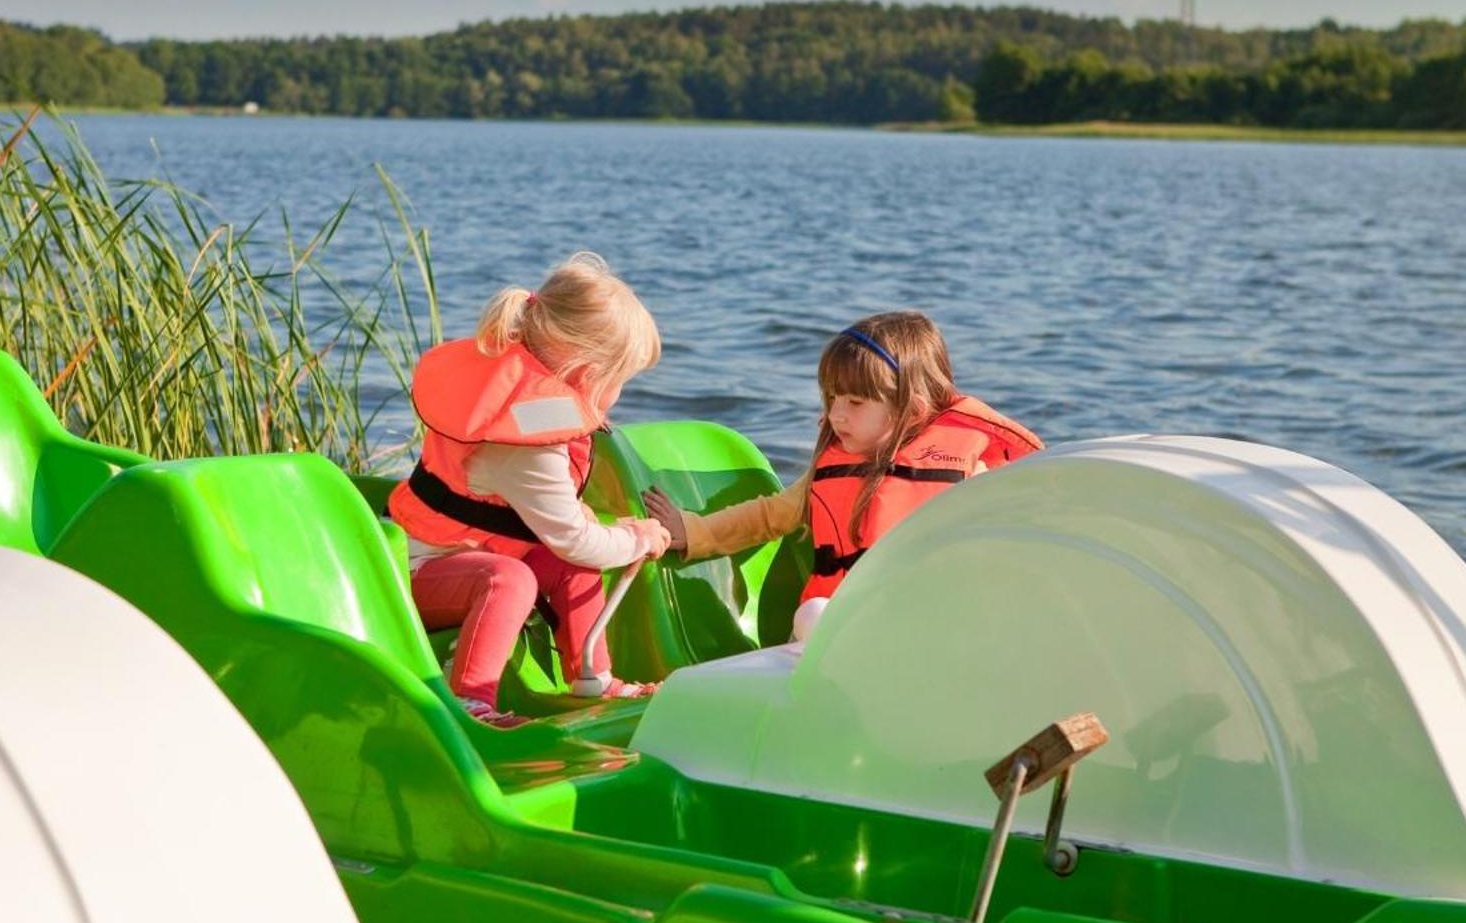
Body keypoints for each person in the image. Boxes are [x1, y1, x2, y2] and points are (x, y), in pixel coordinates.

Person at [388, 253, 672, 726]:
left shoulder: (532, 407)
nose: (620, 394)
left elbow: (565, 538)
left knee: (565, 563)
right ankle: (471, 705)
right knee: (512, 578)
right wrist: (637, 539)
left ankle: (593, 679)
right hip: (418, 575)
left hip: (470, 551)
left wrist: (615, 532)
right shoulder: (524, 443)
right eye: (621, 381)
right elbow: (576, 538)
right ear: (588, 374)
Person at [644, 311, 1041, 640]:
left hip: (925, 631)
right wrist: (693, 531)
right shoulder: (831, 471)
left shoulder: (967, 477)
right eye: (831, 398)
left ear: (913, 410)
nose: (835, 415)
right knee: (813, 614)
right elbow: (767, 516)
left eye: (855, 402)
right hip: (836, 633)